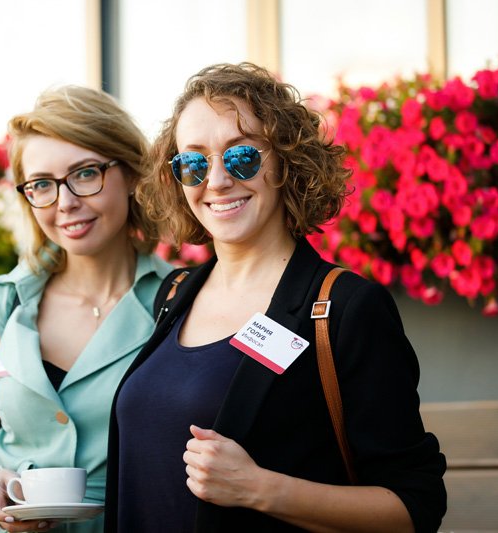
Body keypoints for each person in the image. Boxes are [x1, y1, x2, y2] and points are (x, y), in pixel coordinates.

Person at [104, 63, 447, 532]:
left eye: (242, 156)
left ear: (286, 160)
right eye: (194, 164)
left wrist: (259, 488)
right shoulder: (177, 291)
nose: (217, 180)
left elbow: (415, 506)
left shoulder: (345, 308)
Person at [0, 86, 172, 533]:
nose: (65, 203)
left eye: (85, 174)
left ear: (131, 174)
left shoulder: (179, 302)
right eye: (42, 185)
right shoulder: (3, 302)